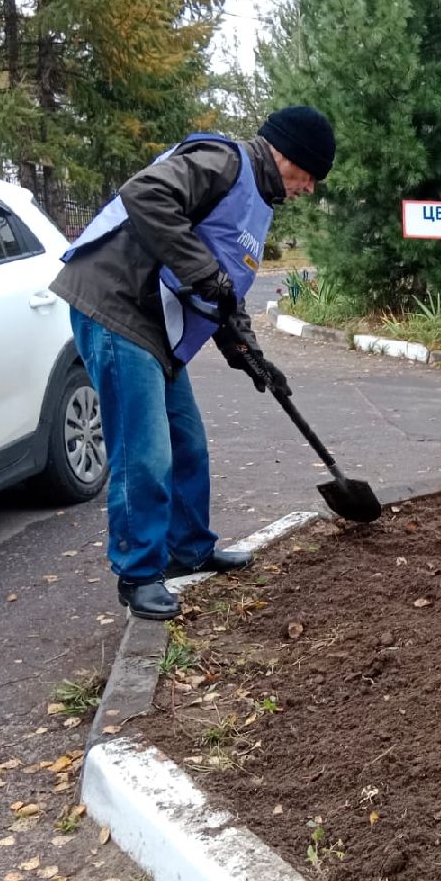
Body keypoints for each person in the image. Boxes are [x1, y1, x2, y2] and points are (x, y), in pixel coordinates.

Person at [52, 106, 336, 620]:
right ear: (287, 155)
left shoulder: (258, 205)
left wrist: (249, 352)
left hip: (158, 326)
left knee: (187, 443)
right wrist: (207, 275)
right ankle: (139, 575)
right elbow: (145, 195)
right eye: (310, 175)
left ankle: (189, 550)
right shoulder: (222, 161)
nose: (309, 188)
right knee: (146, 451)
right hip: (118, 303)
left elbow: (226, 291)